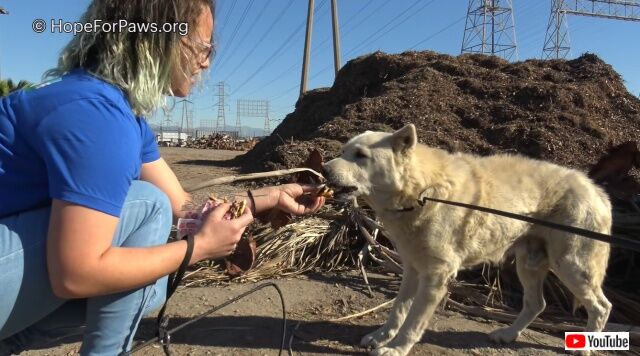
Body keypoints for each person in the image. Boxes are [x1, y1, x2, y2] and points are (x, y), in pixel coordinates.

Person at [0, 1, 324, 355]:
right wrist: (197, 248)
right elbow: (75, 274)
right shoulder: (96, 114)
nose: (206, 62)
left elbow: (184, 209)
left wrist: (270, 197)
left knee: (147, 281)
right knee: (146, 208)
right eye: (204, 47)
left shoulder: (116, 111)